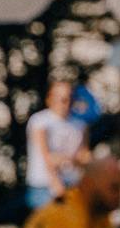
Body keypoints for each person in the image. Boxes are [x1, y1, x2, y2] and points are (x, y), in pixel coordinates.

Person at [24, 78, 86, 215]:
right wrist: (56, 184)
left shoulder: (80, 125)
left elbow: (84, 155)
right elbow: (46, 157)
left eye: (70, 98)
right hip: (44, 187)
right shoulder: (39, 121)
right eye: (62, 99)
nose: (67, 103)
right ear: (50, 99)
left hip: (72, 186)